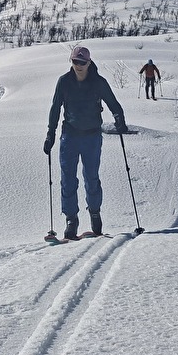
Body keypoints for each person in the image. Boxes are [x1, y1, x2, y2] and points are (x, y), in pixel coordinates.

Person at [43, 45, 126, 239]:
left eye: (82, 62)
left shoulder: (98, 82)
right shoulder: (64, 82)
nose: (78, 65)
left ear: (89, 62)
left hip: (91, 136)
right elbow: (55, 108)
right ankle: (71, 219)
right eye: (75, 61)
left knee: (91, 177)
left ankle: (95, 213)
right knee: (68, 179)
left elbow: (113, 104)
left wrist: (119, 118)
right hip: (70, 135)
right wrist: (50, 134)